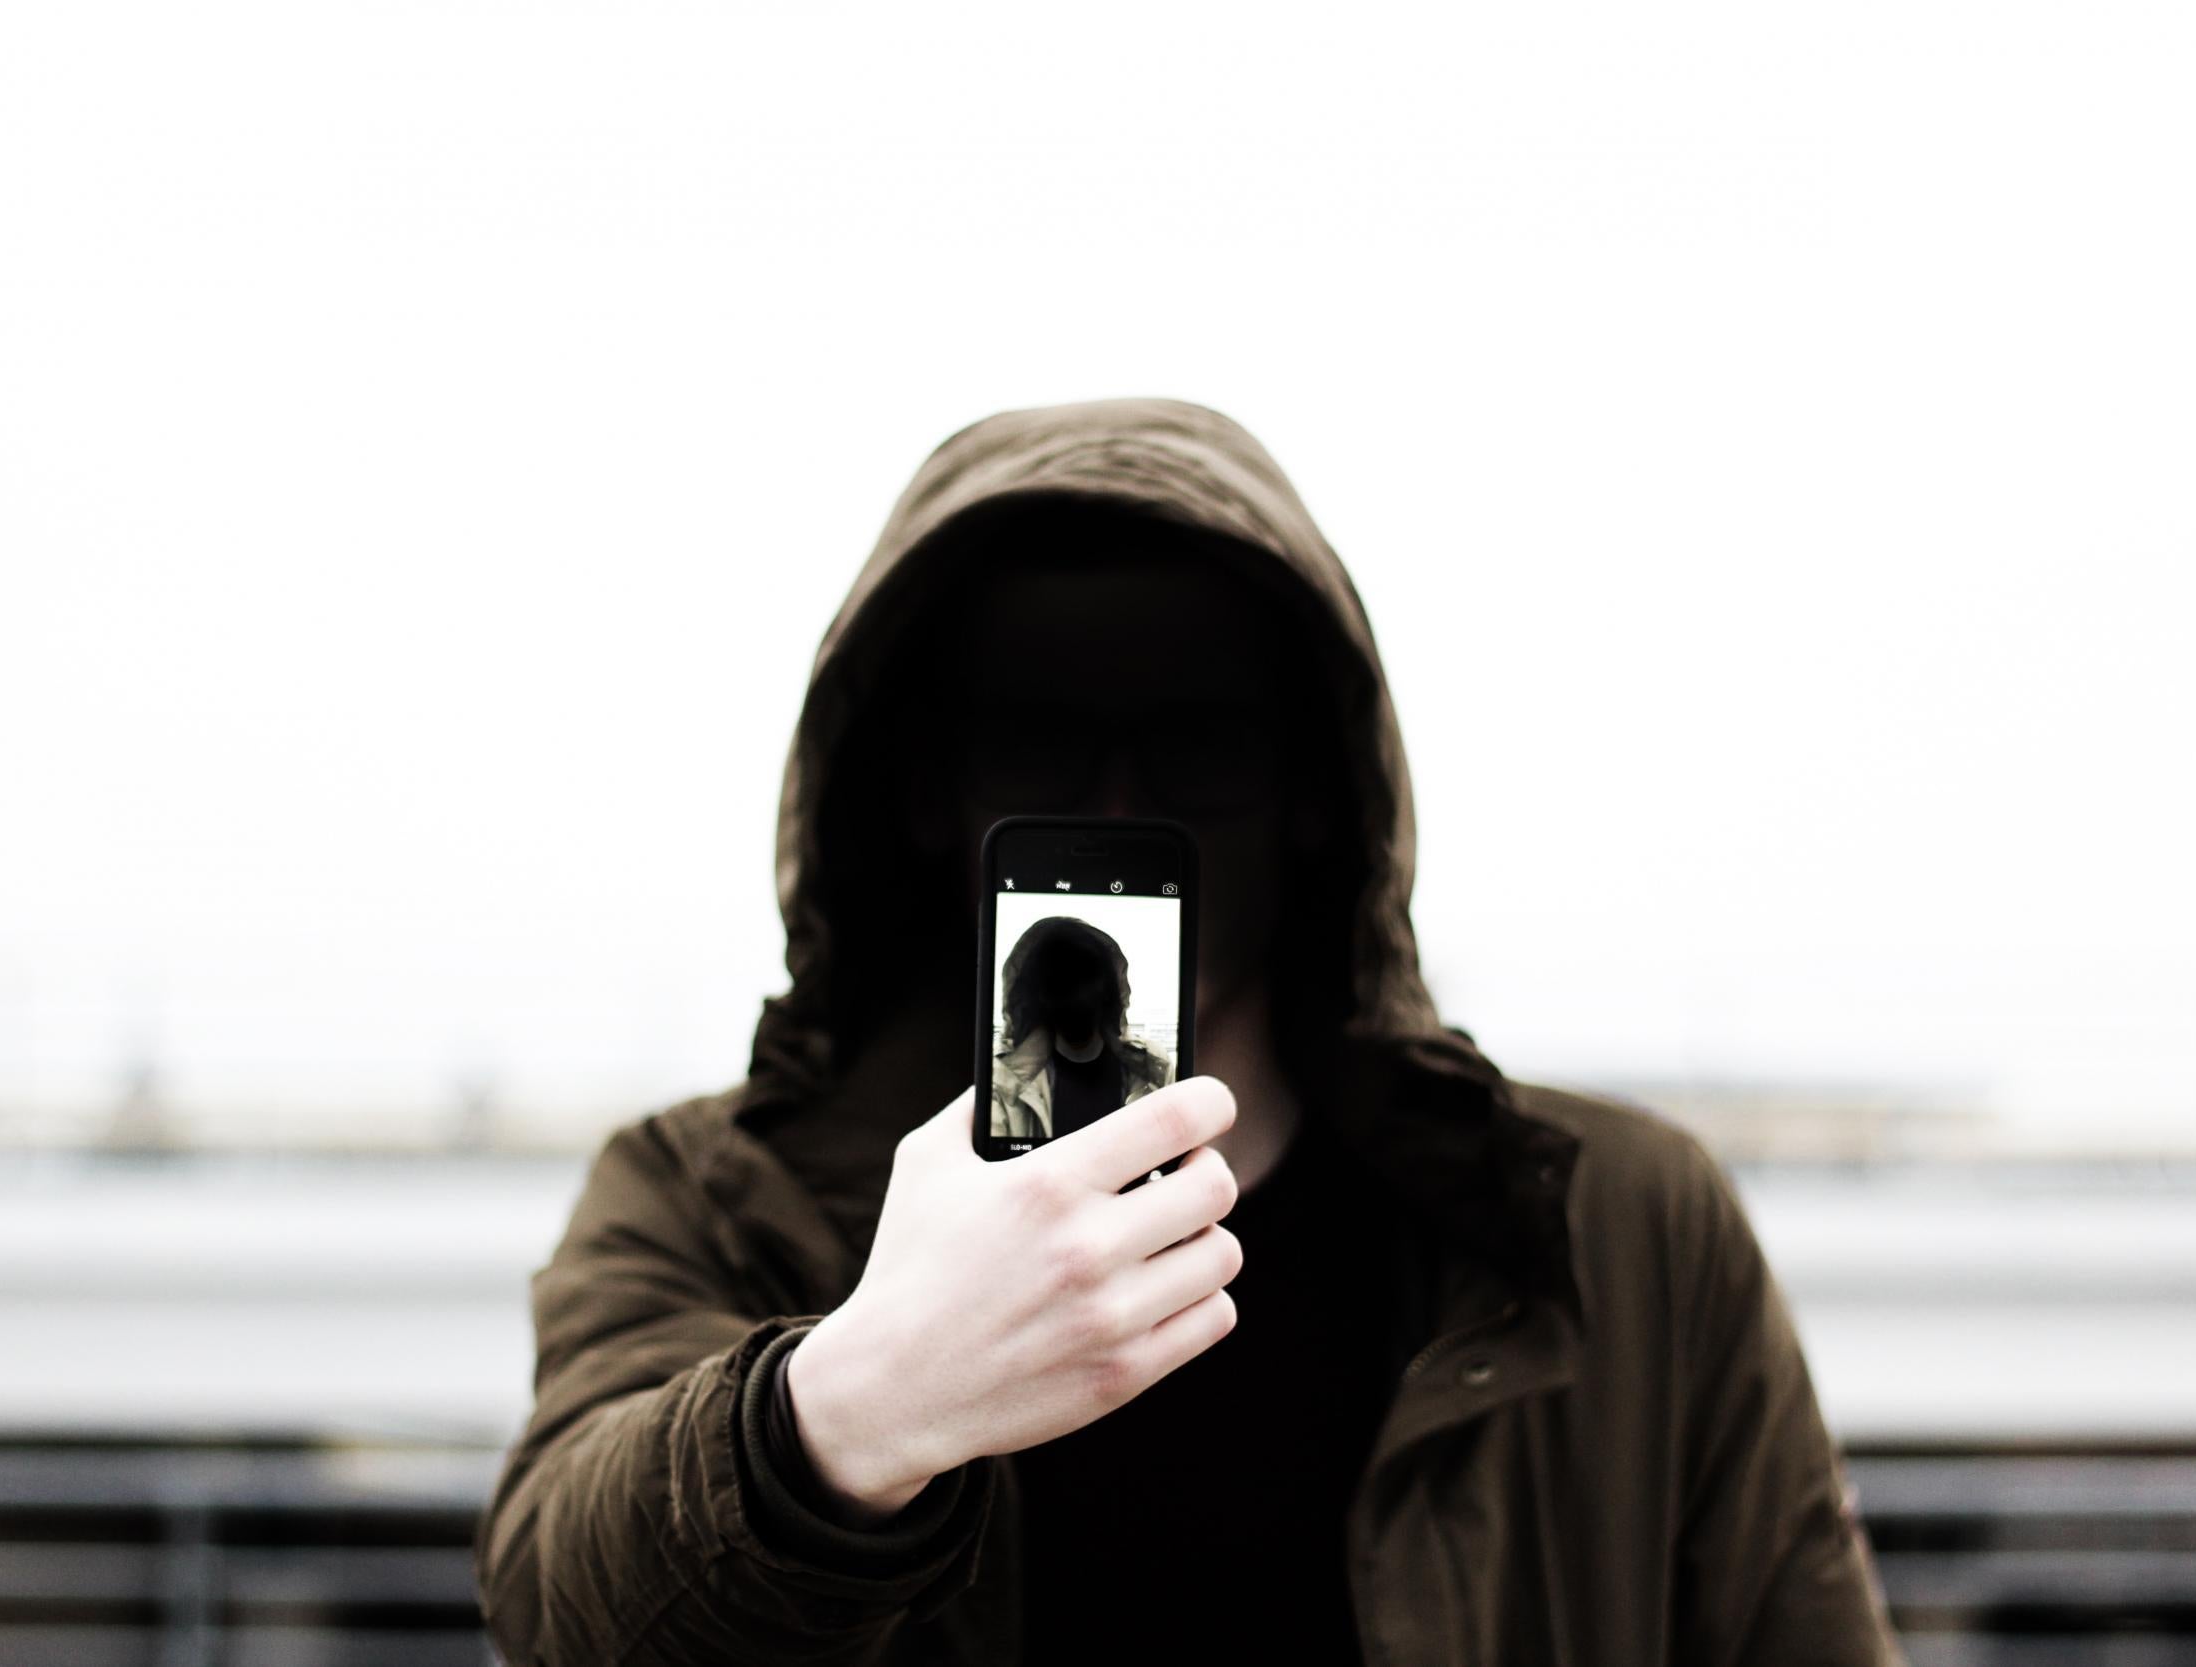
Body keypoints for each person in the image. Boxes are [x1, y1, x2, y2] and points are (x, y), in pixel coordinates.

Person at [472, 397, 1905, 1666]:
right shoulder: (708, 1197)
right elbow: (556, 1612)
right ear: (923, 791)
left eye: (1198, 742)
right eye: (1040, 740)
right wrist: (849, 1408)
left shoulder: (1614, 1225)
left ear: (1311, 790)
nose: (1119, 805)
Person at [989, 915, 1177, 1140]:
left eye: (1085, 976)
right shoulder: (1003, 1077)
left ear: (1108, 989)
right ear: (1042, 995)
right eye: (1062, 981)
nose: (1077, 996)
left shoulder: (1153, 1067)